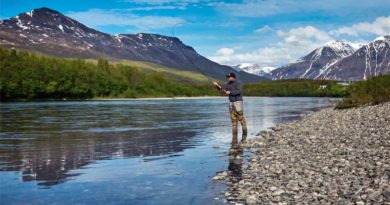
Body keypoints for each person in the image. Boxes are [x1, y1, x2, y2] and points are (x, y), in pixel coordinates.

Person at [213, 73, 248, 145]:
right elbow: (223, 92)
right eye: (228, 77)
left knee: (241, 119)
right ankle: (234, 140)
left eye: (229, 77)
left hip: (238, 102)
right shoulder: (227, 84)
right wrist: (217, 86)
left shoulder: (239, 83)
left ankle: (244, 137)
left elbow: (239, 91)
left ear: (233, 77)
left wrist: (230, 92)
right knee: (233, 121)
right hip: (231, 103)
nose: (228, 78)